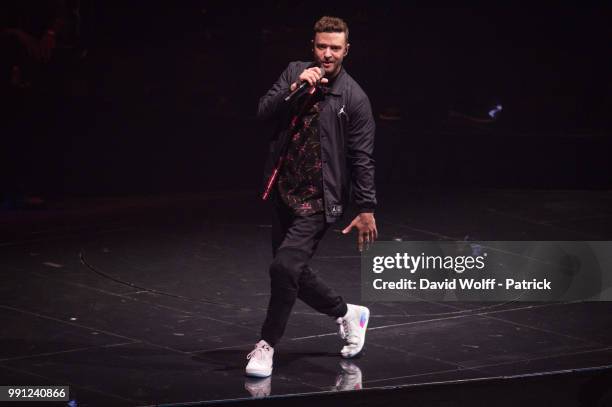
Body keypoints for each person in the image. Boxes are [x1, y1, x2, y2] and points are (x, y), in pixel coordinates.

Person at [246, 16, 377, 378]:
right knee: (291, 272)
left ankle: (266, 345)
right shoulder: (295, 72)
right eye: (322, 46)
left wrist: (365, 207)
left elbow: (361, 158)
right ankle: (348, 313)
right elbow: (262, 111)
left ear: (346, 50)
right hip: (285, 192)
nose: (327, 54)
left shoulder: (354, 98)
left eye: (335, 48)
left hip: (320, 200)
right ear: (313, 46)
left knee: (284, 268)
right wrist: (295, 87)